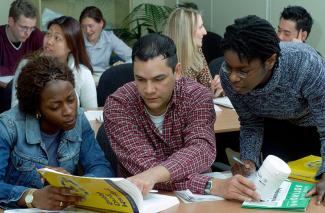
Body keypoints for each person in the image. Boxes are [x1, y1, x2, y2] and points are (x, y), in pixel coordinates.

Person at [104, 33, 260, 202]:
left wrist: (155, 175)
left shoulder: (197, 95)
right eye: (140, 79)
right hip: (146, 200)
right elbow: (144, 171)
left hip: (198, 201)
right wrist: (211, 185)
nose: (148, 89)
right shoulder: (118, 105)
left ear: (177, 71)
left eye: (158, 79)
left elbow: (202, 149)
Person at [220, 15, 325, 205]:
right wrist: (249, 161)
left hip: (315, 128)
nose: (233, 77)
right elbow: (250, 122)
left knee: (316, 194)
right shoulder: (227, 75)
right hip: (275, 127)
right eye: (229, 67)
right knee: (275, 193)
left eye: (243, 71)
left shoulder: (305, 63)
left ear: (270, 61)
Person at [0, 54, 114, 210]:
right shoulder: (8, 127)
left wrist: (76, 184)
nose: (69, 111)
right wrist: (32, 196)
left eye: (71, 99)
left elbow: (101, 166)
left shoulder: (79, 119)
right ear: (37, 109)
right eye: (55, 107)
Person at [12, 16, 97, 108]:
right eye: (48, 34)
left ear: (71, 46)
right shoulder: (27, 65)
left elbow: (91, 113)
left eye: (57, 38)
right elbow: (16, 108)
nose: (49, 41)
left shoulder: (83, 74)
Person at [163, 7, 223, 96]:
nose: (205, 32)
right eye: (200, 27)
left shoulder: (197, 53)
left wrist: (218, 88)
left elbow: (208, 91)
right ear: (186, 32)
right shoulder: (162, 61)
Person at [79, 6, 132, 72]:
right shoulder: (77, 38)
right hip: (83, 78)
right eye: (83, 26)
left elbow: (132, 56)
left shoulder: (109, 37)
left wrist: (123, 66)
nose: (87, 31)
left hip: (103, 77)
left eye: (90, 26)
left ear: (101, 23)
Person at [0, 0, 44, 76]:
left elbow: (49, 61)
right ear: (11, 21)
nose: (28, 33)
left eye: (31, 28)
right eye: (24, 27)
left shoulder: (35, 34)